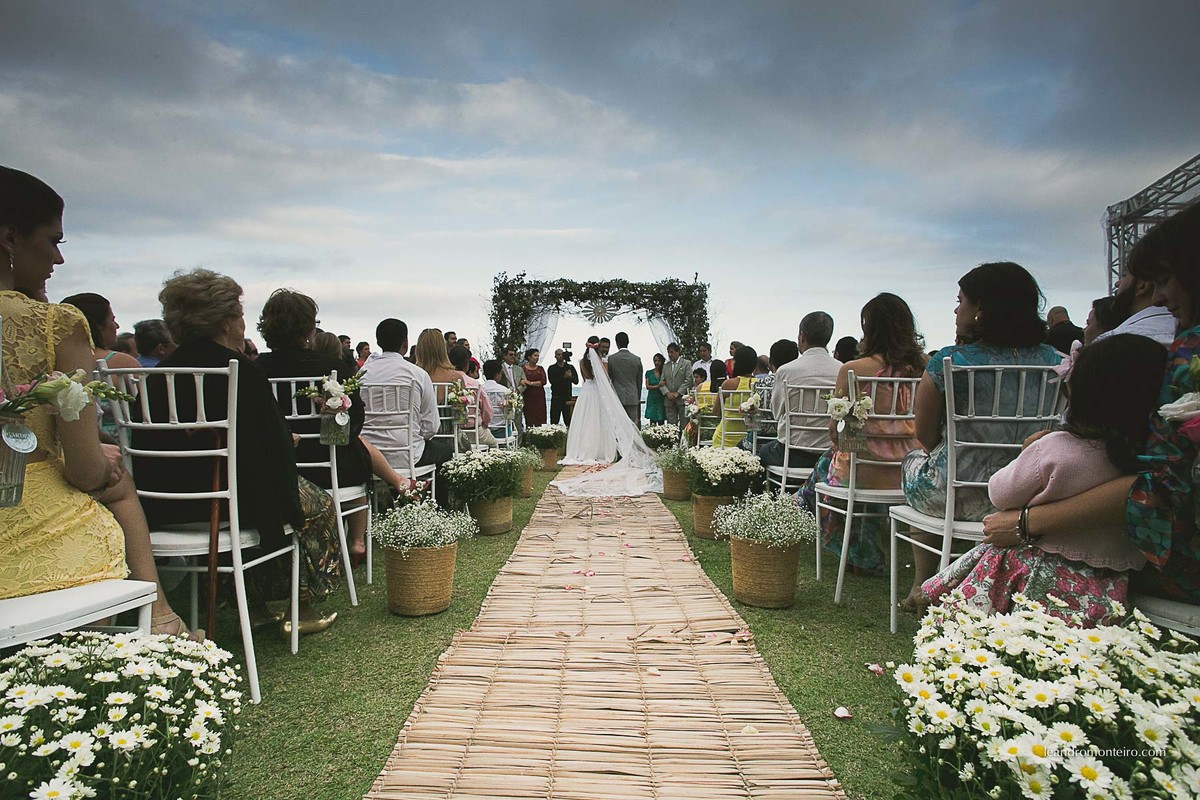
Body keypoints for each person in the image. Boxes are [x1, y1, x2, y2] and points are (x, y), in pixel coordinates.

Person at [0, 167, 198, 639]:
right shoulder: (55, 324)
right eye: (53, 241)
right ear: (10, 238)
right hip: (26, 513)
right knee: (114, 480)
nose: (58, 258)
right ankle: (162, 620)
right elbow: (85, 472)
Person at [982, 204, 1200, 605]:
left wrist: (1026, 521)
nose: (1159, 296)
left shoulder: (1186, 353)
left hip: (1167, 555)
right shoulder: (1166, 346)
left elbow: (1160, 481)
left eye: (1164, 279)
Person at [131, 269, 339, 635]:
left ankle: (256, 607)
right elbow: (273, 451)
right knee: (318, 504)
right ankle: (301, 607)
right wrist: (287, 443)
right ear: (227, 321)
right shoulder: (241, 371)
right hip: (233, 503)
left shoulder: (158, 375)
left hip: (162, 507)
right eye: (240, 314)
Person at [925, 334, 1166, 626]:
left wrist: (1028, 452)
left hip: (1035, 570)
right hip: (1107, 584)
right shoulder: (1144, 459)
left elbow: (1000, 493)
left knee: (988, 617)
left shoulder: (1054, 448)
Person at [899, 262, 1062, 614]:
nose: (956, 310)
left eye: (961, 301)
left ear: (981, 309)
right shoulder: (1059, 362)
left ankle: (924, 581)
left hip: (958, 494)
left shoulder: (949, 360)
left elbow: (924, 434)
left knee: (913, 459)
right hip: (1027, 496)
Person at [255, 289, 415, 569]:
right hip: (330, 470)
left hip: (275, 471)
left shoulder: (255, 369)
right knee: (357, 451)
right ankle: (357, 539)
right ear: (308, 328)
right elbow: (355, 423)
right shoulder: (332, 367)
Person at [800, 294, 925, 575]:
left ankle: (856, 548)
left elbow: (834, 431)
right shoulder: (924, 369)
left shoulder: (853, 370)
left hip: (863, 470)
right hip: (908, 471)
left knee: (829, 465)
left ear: (870, 328)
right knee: (836, 463)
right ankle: (862, 549)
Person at [360, 319, 454, 506]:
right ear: (405, 343)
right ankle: (441, 509)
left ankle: (386, 505)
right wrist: (415, 436)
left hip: (369, 455)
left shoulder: (363, 374)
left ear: (378, 342)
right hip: (409, 454)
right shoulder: (417, 374)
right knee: (445, 451)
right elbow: (432, 426)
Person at [553, 340, 661, 496]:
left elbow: (584, 379)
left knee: (586, 423)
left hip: (586, 393)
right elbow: (604, 378)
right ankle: (602, 451)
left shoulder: (582, 362)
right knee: (599, 422)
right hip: (597, 393)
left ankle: (583, 450)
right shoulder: (602, 361)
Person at [761, 312, 841, 469]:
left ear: (802, 336)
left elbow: (776, 412)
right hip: (829, 455)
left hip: (792, 454)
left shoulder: (786, 371)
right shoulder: (841, 370)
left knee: (764, 450)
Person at [60, 292, 141, 438]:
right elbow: (149, 408)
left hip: (71, 440)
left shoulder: (57, 361)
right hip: (122, 444)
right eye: (112, 320)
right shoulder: (122, 362)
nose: (117, 325)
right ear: (98, 325)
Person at [1094, 229, 1178, 346]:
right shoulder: (1188, 338)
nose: (1117, 283)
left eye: (1124, 275)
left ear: (1142, 285)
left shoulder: (1111, 343)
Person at [447, 343, 498, 448]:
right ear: (467, 365)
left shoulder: (445, 383)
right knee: (494, 444)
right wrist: (485, 423)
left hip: (451, 433)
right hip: (475, 432)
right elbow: (488, 409)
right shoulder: (474, 383)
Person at [713, 345, 757, 447]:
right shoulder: (759, 384)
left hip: (724, 439)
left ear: (735, 363)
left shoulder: (728, 384)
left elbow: (716, 412)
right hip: (750, 441)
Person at [607, 331, 643, 426]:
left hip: (617, 396)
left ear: (617, 343)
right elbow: (639, 381)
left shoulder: (611, 359)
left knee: (618, 425)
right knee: (632, 425)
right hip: (632, 396)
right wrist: (637, 397)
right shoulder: (636, 359)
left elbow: (608, 378)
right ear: (628, 342)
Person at [659, 342, 693, 427]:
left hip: (682, 399)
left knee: (684, 425)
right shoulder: (666, 366)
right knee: (671, 426)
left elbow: (689, 380)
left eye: (672, 352)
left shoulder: (686, 363)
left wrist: (678, 393)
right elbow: (662, 382)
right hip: (669, 400)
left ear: (678, 352)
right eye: (668, 352)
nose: (670, 354)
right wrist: (667, 393)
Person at [547, 348, 578, 426]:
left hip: (567, 397)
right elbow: (552, 381)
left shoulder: (570, 367)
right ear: (555, 356)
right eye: (558, 354)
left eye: (562, 354)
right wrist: (564, 377)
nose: (560, 356)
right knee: (554, 422)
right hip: (556, 398)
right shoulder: (552, 368)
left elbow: (576, 381)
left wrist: (571, 377)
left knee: (569, 422)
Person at [520, 348, 548, 427]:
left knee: (540, 418)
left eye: (538, 356)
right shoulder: (522, 368)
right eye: (535, 355)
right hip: (528, 396)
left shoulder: (540, 369)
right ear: (529, 357)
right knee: (529, 417)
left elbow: (543, 381)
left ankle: (539, 433)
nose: (537, 358)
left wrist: (530, 383)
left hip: (539, 396)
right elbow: (521, 380)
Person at [644, 353, 666, 424]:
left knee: (661, 419)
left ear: (662, 362)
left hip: (661, 398)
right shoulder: (649, 372)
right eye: (655, 361)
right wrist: (657, 386)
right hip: (652, 398)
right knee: (652, 420)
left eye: (658, 361)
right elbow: (647, 386)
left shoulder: (664, 373)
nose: (656, 363)